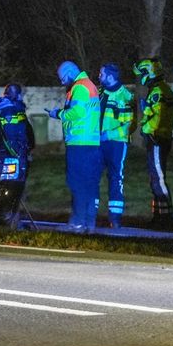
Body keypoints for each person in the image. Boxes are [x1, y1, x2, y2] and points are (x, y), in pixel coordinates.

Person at [48, 61, 102, 231]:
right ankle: (89, 222)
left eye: (63, 78)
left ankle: (77, 222)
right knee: (89, 183)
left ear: (71, 72)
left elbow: (77, 112)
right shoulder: (90, 86)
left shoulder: (79, 87)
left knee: (77, 182)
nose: (62, 82)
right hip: (92, 142)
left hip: (79, 143)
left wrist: (58, 114)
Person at [133, 57, 173, 230]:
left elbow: (156, 117)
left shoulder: (159, 91)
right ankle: (159, 216)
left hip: (157, 139)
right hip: (157, 139)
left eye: (143, 73)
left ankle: (166, 218)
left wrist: (150, 133)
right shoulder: (160, 89)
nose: (142, 77)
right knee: (155, 179)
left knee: (158, 179)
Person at [97, 62, 134, 229]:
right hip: (98, 142)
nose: (99, 76)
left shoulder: (124, 96)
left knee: (115, 178)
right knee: (93, 177)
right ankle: (91, 214)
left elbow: (128, 125)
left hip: (116, 144)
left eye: (101, 74)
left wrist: (108, 134)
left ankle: (115, 218)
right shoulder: (99, 93)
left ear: (110, 76)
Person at [0, 83, 34, 161]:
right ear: (15, 93)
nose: (22, 96)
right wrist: (18, 152)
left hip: (20, 147)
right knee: (18, 170)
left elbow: (23, 126)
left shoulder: (15, 107)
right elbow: (11, 135)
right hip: (16, 149)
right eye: (20, 93)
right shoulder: (9, 109)